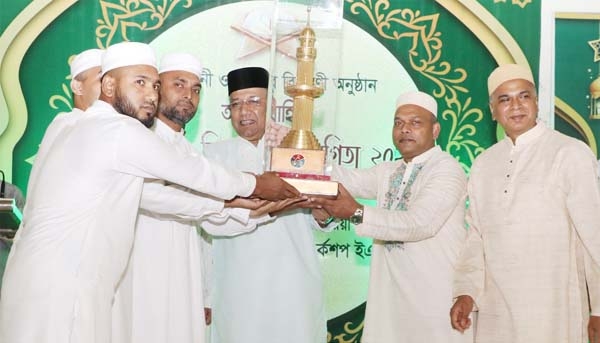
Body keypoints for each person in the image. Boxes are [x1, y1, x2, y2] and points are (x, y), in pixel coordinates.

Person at [0, 42, 298, 343]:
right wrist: (257, 184)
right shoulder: (116, 130)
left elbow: (156, 197)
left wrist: (229, 206)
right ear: (109, 84)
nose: (151, 95)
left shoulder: (87, 128)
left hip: (54, 286)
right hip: (63, 290)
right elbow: (193, 172)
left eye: (155, 85)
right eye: (139, 83)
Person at [111, 53, 285, 343]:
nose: (188, 96)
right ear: (156, 88)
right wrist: (247, 194)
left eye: (195, 89)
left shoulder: (186, 150)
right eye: (178, 85)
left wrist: (263, 209)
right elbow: (162, 199)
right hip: (143, 275)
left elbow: (211, 224)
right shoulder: (141, 141)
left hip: (181, 275)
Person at [449, 64, 600, 343]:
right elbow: (475, 238)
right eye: (504, 99)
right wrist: (466, 292)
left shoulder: (570, 153)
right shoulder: (484, 164)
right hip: (496, 313)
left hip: (555, 310)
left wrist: (599, 309)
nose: (516, 106)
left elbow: (594, 236)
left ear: (537, 103)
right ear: (492, 110)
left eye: (524, 96)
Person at [308, 91, 471, 342]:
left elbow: (419, 224)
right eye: (398, 123)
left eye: (415, 123)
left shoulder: (447, 169)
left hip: (434, 302)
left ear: (435, 130)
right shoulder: (390, 170)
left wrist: (356, 212)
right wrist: (306, 155)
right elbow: (346, 179)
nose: (405, 129)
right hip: (392, 303)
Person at [203, 67, 331, 343]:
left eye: (253, 101)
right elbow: (205, 234)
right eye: (235, 104)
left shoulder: (294, 150)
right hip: (237, 287)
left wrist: (323, 212)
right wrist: (206, 294)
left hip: (292, 283)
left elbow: (320, 217)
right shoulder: (213, 156)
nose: (244, 111)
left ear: (271, 105)